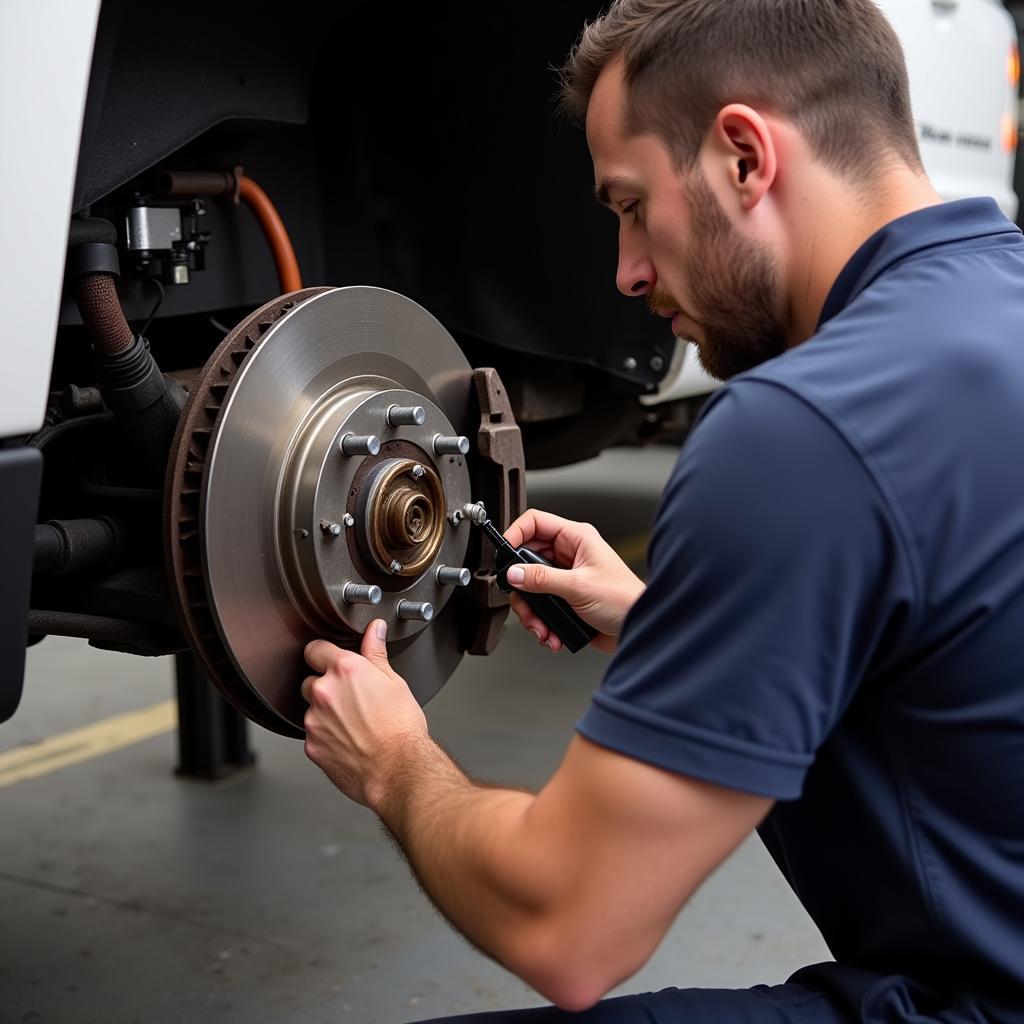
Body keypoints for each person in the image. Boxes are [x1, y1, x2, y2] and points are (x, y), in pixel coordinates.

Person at [300, 1, 1024, 1020]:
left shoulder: (797, 432)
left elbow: (568, 928)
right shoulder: (998, 299)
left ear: (742, 155)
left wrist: (395, 762)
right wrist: (665, 619)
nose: (626, 271)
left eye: (630, 205)